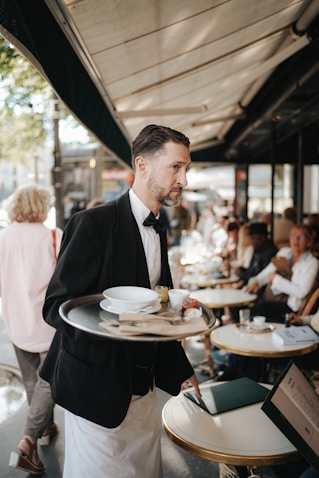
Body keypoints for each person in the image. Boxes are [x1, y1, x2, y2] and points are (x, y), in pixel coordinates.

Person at [40, 124, 201, 478]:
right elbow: (56, 307)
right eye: (176, 167)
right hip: (97, 393)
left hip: (144, 395)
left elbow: (157, 305)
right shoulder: (92, 224)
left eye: (186, 168)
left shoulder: (159, 227)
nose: (184, 179)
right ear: (142, 166)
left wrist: (182, 369)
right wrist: (118, 325)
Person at [0, 184, 63, 474]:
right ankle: (28, 440)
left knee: (31, 382)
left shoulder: (3, 238)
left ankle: (45, 426)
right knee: (47, 380)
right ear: (41, 206)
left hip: (16, 321)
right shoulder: (53, 236)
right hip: (48, 323)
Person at [246, 223, 319, 322]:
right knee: (250, 306)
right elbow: (267, 272)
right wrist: (257, 281)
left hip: (292, 308)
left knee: (260, 308)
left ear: (309, 241)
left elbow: (301, 292)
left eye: (300, 237)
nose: (295, 240)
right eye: (293, 235)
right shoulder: (284, 253)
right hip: (275, 298)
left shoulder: (312, 263)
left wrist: (276, 279)